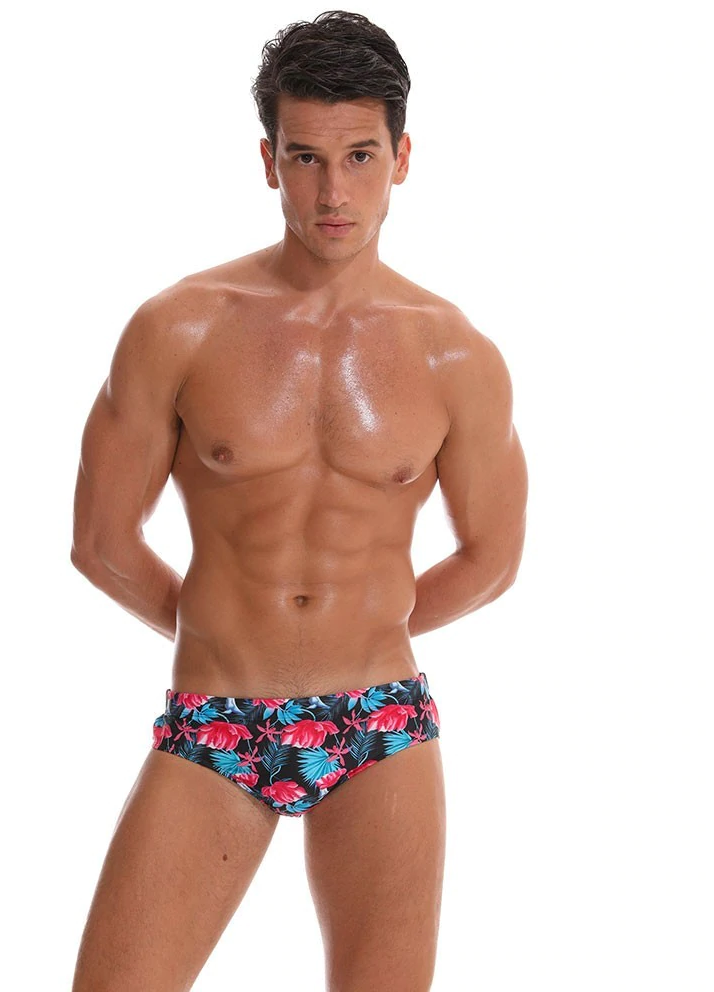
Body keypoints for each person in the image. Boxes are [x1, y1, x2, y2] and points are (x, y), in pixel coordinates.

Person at [69, 9, 528, 992]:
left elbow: (491, 557)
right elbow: (101, 542)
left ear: (402, 158)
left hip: (380, 722)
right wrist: (224, 628)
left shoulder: (454, 354)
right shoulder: (178, 329)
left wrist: (367, 624)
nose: (332, 191)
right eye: (305, 157)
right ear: (268, 161)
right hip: (217, 717)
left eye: (359, 156)